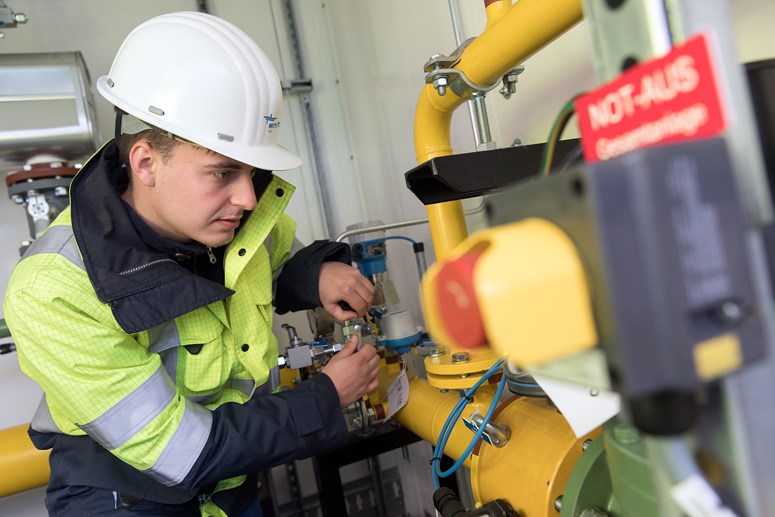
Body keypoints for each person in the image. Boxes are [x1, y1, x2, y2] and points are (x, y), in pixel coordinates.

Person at [3, 11, 380, 517]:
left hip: (233, 483)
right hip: (127, 501)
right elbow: (179, 451)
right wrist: (326, 397)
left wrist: (314, 275)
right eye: (222, 172)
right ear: (145, 164)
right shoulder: (52, 288)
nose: (248, 197)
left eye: (253, 171)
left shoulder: (226, 222)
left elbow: (263, 270)